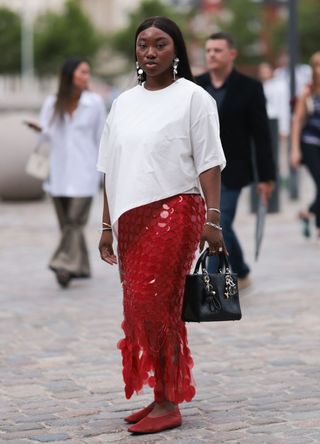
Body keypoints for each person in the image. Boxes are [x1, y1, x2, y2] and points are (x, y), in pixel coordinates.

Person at [97, 16, 226, 435]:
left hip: (176, 209)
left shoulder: (193, 98)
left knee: (158, 307)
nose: (150, 52)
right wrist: (105, 226)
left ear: (177, 50)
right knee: (138, 308)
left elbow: (209, 162)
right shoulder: (123, 103)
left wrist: (213, 218)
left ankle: (170, 400)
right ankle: (158, 395)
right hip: (129, 219)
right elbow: (109, 169)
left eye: (160, 44)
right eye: (143, 45)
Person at [196, 32, 276, 290]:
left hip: (233, 169)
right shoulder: (196, 86)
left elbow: (261, 136)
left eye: (217, 50)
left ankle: (211, 284)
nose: (212, 55)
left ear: (231, 54)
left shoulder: (250, 88)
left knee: (219, 221)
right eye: (208, 50)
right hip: (201, 170)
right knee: (219, 224)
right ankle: (240, 269)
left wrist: (266, 177)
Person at [26, 57, 106, 287]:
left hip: (85, 173)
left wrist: (103, 172)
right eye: (82, 72)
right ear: (70, 75)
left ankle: (62, 263)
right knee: (67, 225)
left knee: (74, 222)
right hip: (59, 173)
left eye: (87, 72)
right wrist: (38, 129)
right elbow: (46, 135)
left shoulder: (95, 103)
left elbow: (102, 137)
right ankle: (79, 267)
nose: (86, 77)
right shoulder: (53, 103)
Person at [291, 51, 320, 239]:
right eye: (317, 65)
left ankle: (308, 213)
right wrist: (294, 150)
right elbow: (298, 121)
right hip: (310, 143)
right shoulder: (308, 92)